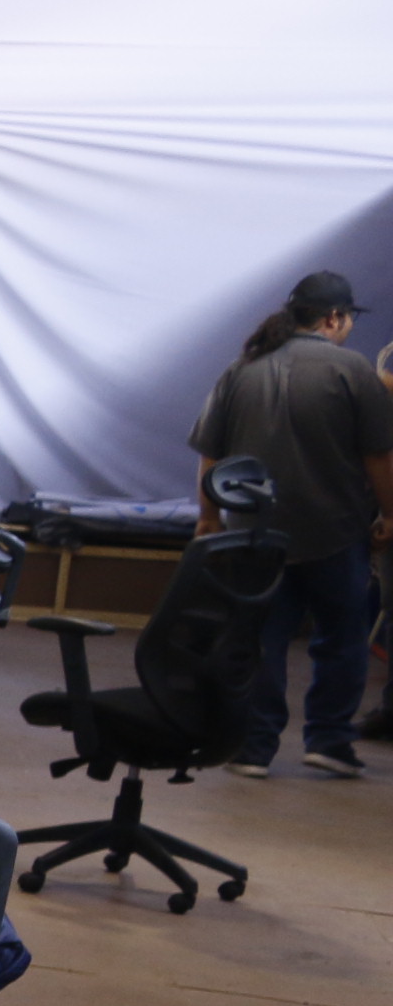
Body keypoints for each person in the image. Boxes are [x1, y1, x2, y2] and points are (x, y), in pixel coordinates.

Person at [189, 270, 393, 777]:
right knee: (341, 640)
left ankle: (253, 749)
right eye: (346, 318)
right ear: (333, 317)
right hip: (335, 535)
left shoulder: (242, 369)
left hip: (254, 536)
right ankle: (328, 741)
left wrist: (209, 517)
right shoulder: (353, 371)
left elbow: (212, 456)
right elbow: (378, 459)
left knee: (260, 642)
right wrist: (391, 514)